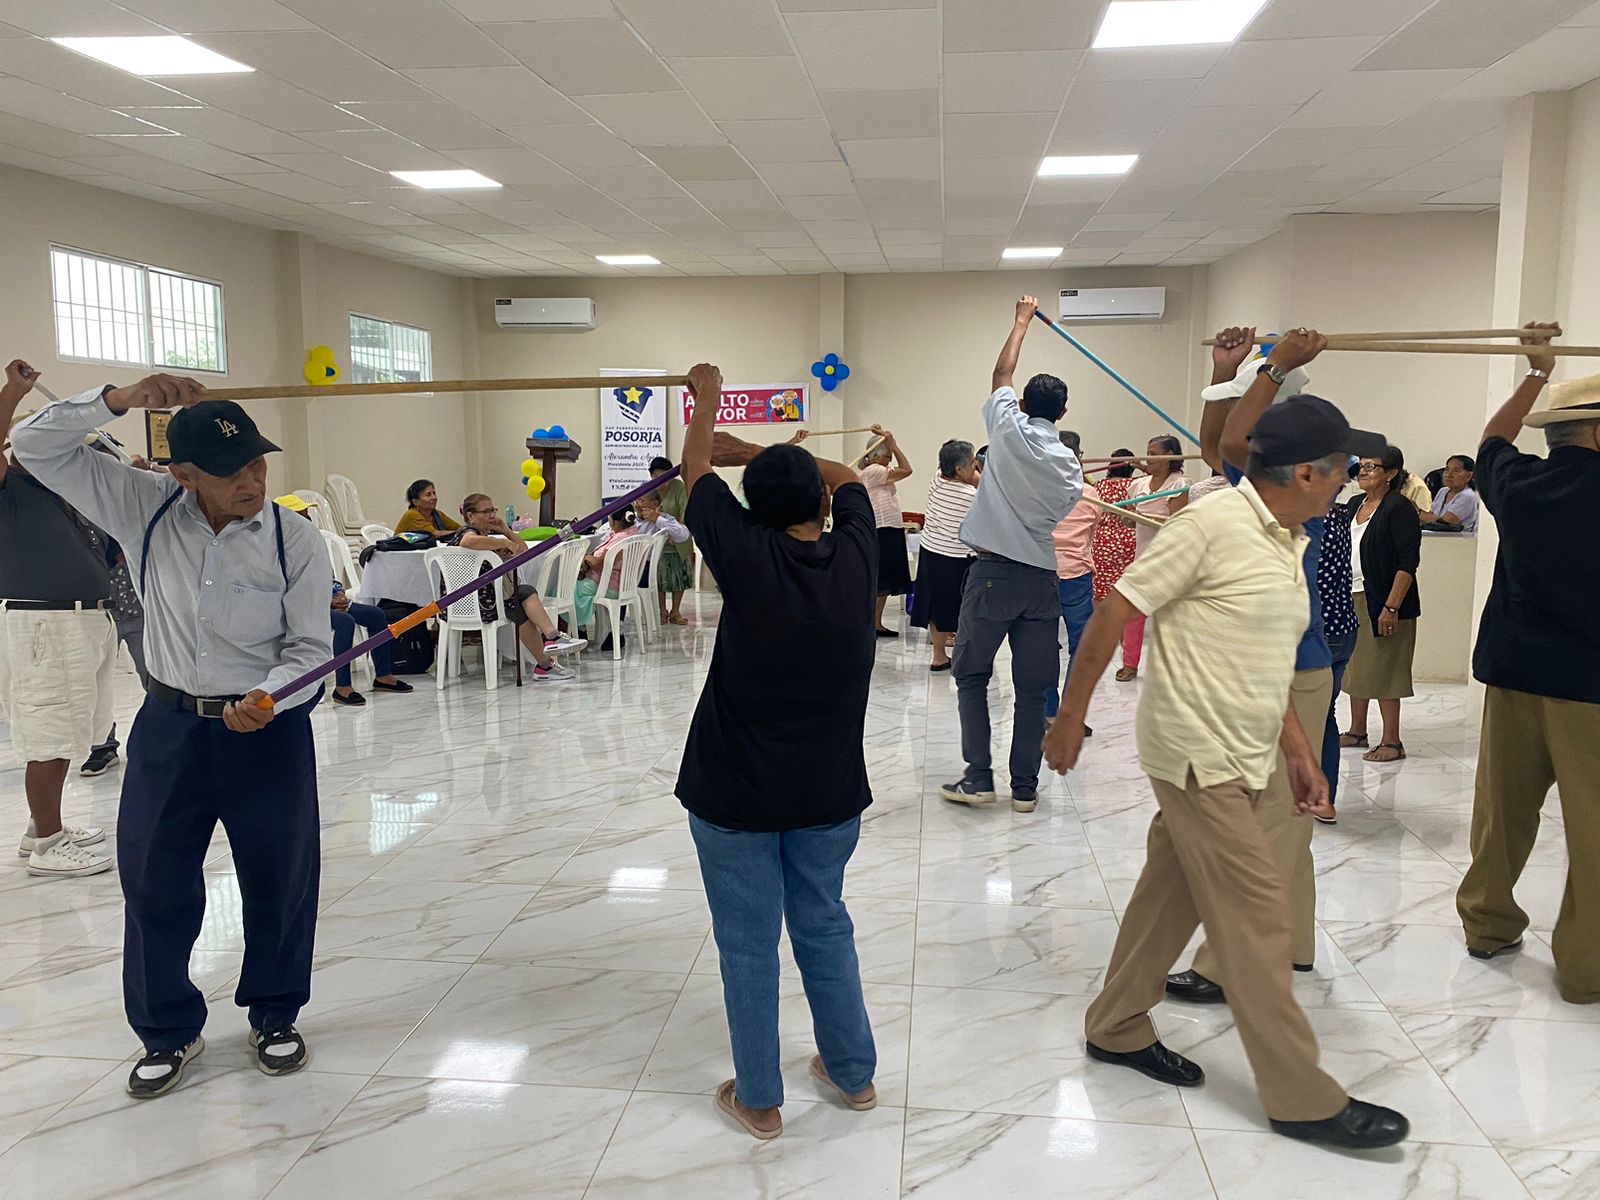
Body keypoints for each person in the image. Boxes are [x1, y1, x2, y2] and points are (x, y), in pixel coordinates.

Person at [1042, 389, 1408, 1152]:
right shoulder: (1211, 525)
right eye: (1342, 468)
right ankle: (1301, 1096)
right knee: (1257, 915)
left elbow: (1261, 659)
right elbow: (1114, 611)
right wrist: (1071, 716)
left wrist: (1299, 751)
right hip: (1196, 753)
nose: (1346, 481)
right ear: (1305, 473)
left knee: (1169, 894)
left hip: (1248, 746)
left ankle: (1115, 1024)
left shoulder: (1285, 538)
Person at [13, 374, 332, 1100]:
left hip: (266, 731)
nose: (251, 482)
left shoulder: (294, 538)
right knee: (154, 880)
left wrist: (274, 696)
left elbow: (312, 648)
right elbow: (33, 445)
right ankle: (166, 1029)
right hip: (170, 727)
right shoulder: (143, 506)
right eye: (230, 472)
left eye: (257, 463)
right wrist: (117, 400)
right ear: (183, 475)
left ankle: (275, 1013)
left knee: (280, 878)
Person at [674, 362, 879, 1141]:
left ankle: (759, 1099)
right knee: (824, 925)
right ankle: (852, 1074)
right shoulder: (857, 552)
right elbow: (847, 475)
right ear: (822, 507)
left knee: (748, 944)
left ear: (752, 511)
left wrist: (706, 400)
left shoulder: (743, 552)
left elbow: (694, 470)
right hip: (827, 793)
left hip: (735, 793)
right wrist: (756, 450)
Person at [1164, 327, 1346, 1008]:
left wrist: (1273, 366)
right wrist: (1226, 373)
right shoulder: (1281, 487)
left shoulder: (1290, 493)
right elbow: (1218, 446)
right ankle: (1292, 942)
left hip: (1286, 675)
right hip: (1291, 670)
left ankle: (1228, 965)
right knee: (1285, 817)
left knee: (1264, 822)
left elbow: (1233, 443)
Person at [1457, 327, 1599, 1005]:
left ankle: (1486, 924)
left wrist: (1536, 373)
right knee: (1593, 829)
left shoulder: (1518, 483)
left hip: (1514, 674)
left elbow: (1492, 438)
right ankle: (1587, 967)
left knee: (1501, 813)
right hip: (1589, 688)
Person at [941, 296, 1081, 814]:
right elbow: (1061, 512)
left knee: (972, 676)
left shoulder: (1006, 428)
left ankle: (979, 777)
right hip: (1042, 580)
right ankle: (1025, 787)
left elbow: (1001, 372)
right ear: (1063, 414)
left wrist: (1021, 321)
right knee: (1032, 689)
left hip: (993, 576)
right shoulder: (1069, 465)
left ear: (1022, 403)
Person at [0, 360, 115, 879]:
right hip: (45, 624)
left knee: (71, 729)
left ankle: (39, 827)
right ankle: (48, 844)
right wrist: (12, 393)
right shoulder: (10, 487)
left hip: (79, 620)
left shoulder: (58, 492)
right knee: (50, 732)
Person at [273, 495, 414, 706]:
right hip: (301, 609)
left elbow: (329, 576)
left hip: (327, 602)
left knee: (376, 615)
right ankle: (342, 687)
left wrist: (338, 594)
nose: (308, 520)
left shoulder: (312, 543)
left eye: (307, 515)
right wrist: (325, 602)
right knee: (344, 622)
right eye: (301, 516)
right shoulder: (277, 551)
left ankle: (383, 675)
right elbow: (286, 590)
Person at [1339, 445, 1421, 764]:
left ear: (1391, 474)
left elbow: (1408, 562)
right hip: (1353, 595)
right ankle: (1357, 730)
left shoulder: (1399, 507)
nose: (1363, 471)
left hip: (1385, 601)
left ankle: (1392, 741)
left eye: (1372, 467)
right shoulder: (1355, 504)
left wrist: (1392, 607)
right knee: (1356, 666)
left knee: (1387, 670)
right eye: (1361, 466)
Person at [446, 493, 583, 682]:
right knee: (521, 598)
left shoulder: (487, 538)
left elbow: (523, 552)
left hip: (487, 598)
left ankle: (549, 647)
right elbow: (468, 542)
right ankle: (547, 653)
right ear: (471, 516)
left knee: (522, 596)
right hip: (470, 602)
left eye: (493, 510)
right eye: (486, 512)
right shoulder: (467, 532)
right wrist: (504, 542)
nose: (492, 515)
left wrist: (506, 531)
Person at [1115, 436, 1191, 682]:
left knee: (1170, 618)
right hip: (1142, 559)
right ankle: (1130, 664)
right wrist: (1127, 516)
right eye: (1147, 452)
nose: (1148, 458)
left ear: (1170, 457)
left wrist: (1145, 517)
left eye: (1154, 454)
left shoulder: (1179, 484)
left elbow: (1178, 525)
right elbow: (1129, 522)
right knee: (1133, 615)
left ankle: (1173, 667)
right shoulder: (1138, 486)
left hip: (1170, 561)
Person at [1044, 430, 1101, 722]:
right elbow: (1090, 535)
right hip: (1076, 575)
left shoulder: (1037, 489)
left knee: (1042, 644)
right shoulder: (1091, 494)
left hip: (1042, 574)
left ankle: (1049, 710)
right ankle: (1071, 712)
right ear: (1079, 457)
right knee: (1081, 645)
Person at [909, 439, 980, 672]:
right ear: (959, 469)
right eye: (972, 462)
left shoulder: (937, 480)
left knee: (936, 607)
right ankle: (964, 657)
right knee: (964, 608)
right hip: (958, 558)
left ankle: (939, 656)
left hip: (931, 552)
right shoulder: (970, 496)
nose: (975, 466)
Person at [856, 426, 914, 636]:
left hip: (887, 528)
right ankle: (872, 623)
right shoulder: (875, 470)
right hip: (883, 529)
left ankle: (875, 623)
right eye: (887, 455)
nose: (890, 460)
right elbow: (907, 469)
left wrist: (886, 439)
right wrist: (894, 445)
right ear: (876, 456)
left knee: (885, 581)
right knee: (882, 580)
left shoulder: (877, 471)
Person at [573, 506, 641, 636]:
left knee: (566, 589)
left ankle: (579, 630)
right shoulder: (634, 533)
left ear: (613, 521)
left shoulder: (619, 540)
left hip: (608, 586)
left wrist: (587, 558)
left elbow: (599, 565)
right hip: (623, 584)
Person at [647, 456, 695, 625]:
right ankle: (661, 611)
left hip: (678, 540)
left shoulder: (679, 487)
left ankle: (675, 611)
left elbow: (685, 512)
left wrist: (677, 533)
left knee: (679, 578)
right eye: (655, 476)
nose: (660, 480)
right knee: (660, 578)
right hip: (658, 542)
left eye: (663, 476)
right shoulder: (649, 490)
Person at [1090, 450, 1139, 607]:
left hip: (1102, 540)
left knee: (1102, 584)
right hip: (1128, 538)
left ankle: (1101, 617)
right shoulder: (1135, 485)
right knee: (1126, 584)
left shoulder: (1099, 486)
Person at [1421, 454, 1479, 533]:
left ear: (1469, 476)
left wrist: (1418, 512)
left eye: (1456, 471)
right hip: (1436, 536)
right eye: (1447, 469)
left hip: (1458, 538)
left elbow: (1445, 523)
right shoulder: (1443, 491)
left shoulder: (1468, 496)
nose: (1449, 474)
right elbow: (1430, 516)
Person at [394, 478, 460, 536]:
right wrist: (460, 534)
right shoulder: (411, 515)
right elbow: (433, 534)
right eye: (428, 495)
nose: (434, 497)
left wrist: (463, 532)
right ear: (415, 501)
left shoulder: (437, 514)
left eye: (434, 493)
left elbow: (459, 528)